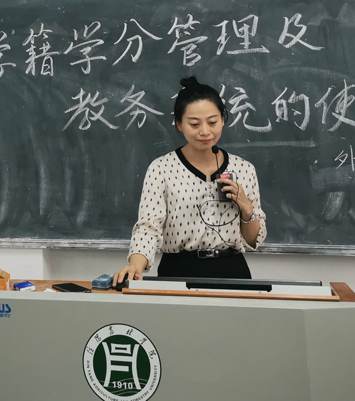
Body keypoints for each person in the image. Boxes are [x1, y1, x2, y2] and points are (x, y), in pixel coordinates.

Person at [112, 76, 266, 285]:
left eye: (212, 122)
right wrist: (135, 266)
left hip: (232, 270)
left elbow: (253, 240)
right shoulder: (162, 168)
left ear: (223, 119)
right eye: (194, 124)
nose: (205, 131)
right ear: (179, 124)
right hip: (178, 269)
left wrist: (246, 208)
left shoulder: (244, 169)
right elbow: (148, 227)